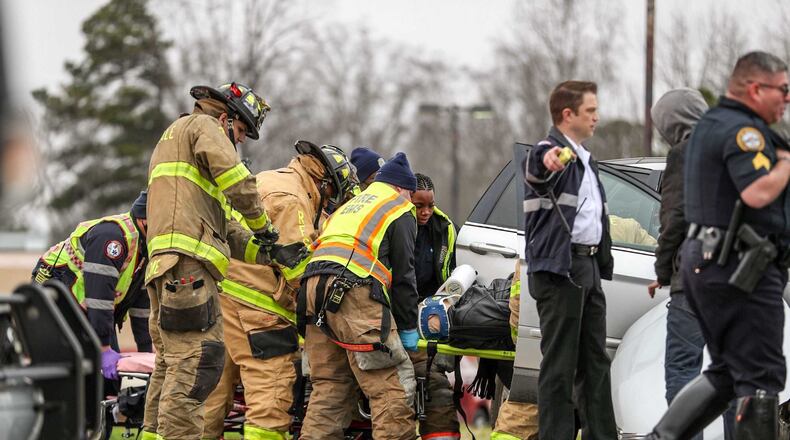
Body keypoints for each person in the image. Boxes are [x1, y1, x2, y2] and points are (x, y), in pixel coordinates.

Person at [141, 82, 308, 440]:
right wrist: (264, 226)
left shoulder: (176, 137)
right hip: (188, 268)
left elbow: (224, 227)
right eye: (243, 130)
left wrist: (268, 251)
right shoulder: (205, 129)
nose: (242, 141)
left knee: (170, 367)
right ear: (225, 117)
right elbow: (240, 185)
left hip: (165, 268)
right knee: (196, 366)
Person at [645, 52, 790, 439]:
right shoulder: (740, 134)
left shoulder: (715, 134)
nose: (786, 98)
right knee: (758, 374)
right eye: (783, 89)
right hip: (737, 265)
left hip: (718, 264)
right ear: (756, 88)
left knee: (729, 372)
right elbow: (757, 196)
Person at [202, 141, 357, 440]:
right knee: (270, 397)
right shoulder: (291, 200)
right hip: (258, 313)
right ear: (326, 183)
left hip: (221, 304)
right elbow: (299, 271)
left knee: (210, 398)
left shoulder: (270, 179)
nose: (329, 204)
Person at [298, 152, 419, 440]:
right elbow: (404, 275)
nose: (413, 203)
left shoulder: (349, 207)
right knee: (389, 383)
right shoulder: (398, 207)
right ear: (404, 189)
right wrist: (407, 329)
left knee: (330, 386)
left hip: (312, 291)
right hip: (352, 291)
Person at [523, 80, 617, 440]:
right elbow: (539, 167)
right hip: (560, 270)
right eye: (590, 111)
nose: (597, 117)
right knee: (560, 367)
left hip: (589, 267)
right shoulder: (549, 151)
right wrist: (551, 158)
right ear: (568, 115)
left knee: (595, 364)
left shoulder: (585, 159)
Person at [647, 88, 738, 440]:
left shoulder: (685, 154)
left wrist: (661, 270)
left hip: (697, 280)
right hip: (739, 280)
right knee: (729, 374)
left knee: (682, 371)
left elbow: (675, 219)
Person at [32, 191, 152, 374]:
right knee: (82, 376)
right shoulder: (113, 238)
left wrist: (147, 354)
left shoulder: (145, 247)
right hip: (61, 298)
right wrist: (104, 349)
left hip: (96, 309)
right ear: (145, 221)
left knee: (109, 381)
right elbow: (99, 296)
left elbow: (141, 305)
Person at [410, 172, 460, 439]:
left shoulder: (445, 227)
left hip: (430, 315)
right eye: (420, 206)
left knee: (437, 384)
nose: (427, 212)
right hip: (396, 315)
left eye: (430, 205)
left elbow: (450, 273)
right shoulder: (396, 224)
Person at [491, 260, 539, 440]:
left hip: (532, 341)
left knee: (523, 410)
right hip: (541, 342)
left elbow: (519, 306)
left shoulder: (537, 241)